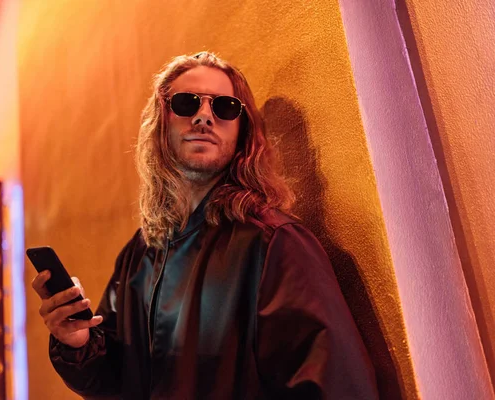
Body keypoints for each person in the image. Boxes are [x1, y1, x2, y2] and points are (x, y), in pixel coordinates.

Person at [31, 51, 379, 399]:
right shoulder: (142, 251)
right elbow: (116, 382)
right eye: (186, 103)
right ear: (161, 122)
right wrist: (75, 343)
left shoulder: (274, 243)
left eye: (225, 107)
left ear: (242, 132)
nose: (204, 117)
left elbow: (335, 388)